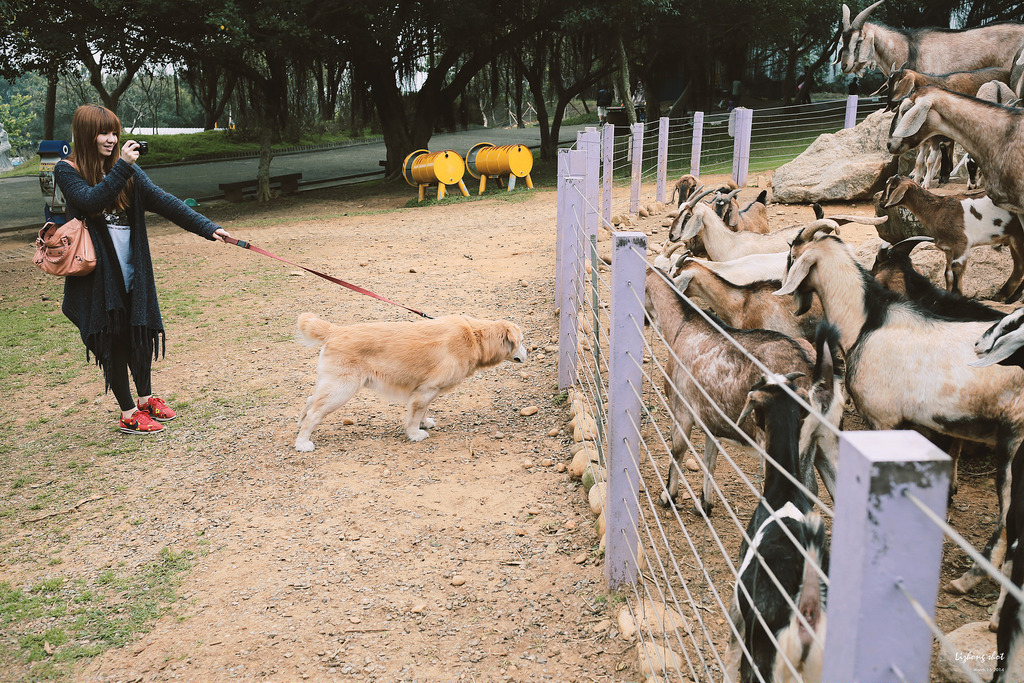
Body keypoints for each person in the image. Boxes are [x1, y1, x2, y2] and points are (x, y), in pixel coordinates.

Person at [54, 104, 232, 435]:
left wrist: (209, 227)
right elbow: (91, 201)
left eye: (114, 132)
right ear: (85, 134)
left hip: (132, 269)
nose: (111, 139)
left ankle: (146, 398)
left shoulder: (127, 172)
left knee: (139, 331)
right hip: (98, 277)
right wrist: (122, 166)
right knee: (112, 339)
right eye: (104, 133)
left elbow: (164, 201)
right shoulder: (67, 170)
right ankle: (128, 412)